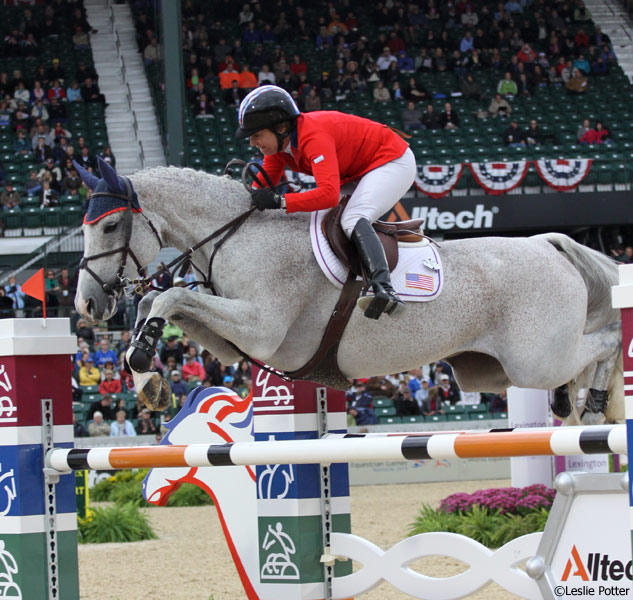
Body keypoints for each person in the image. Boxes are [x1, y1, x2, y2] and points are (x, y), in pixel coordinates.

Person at [236, 86, 416, 319]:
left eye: (256, 135)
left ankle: (383, 287)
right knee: (320, 218)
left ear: (280, 128)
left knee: (352, 218)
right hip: (357, 171)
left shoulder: (313, 136)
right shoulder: (279, 145)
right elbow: (262, 187)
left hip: (391, 161)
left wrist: (280, 201)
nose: (252, 143)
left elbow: (329, 194)